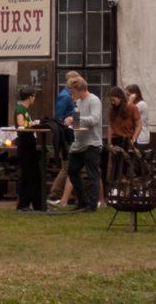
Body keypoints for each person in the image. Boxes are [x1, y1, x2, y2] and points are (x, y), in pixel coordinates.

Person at [63, 76, 103, 212]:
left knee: (92, 174)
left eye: (74, 92)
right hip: (79, 142)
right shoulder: (79, 102)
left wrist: (76, 119)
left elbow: (94, 119)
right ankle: (82, 201)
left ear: (81, 89)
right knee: (72, 171)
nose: (73, 95)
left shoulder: (94, 100)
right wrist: (71, 123)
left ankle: (92, 205)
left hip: (92, 143)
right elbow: (78, 120)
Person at [47, 72, 78, 206]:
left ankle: (69, 194)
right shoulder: (65, 96)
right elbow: (59, 116)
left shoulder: (70, 95)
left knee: (71, 166)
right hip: (66, 135)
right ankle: (55, 193)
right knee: (67, 166)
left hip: (70, 134)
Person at [14, 86, 42, 211]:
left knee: (29, 174)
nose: (34, 99)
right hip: (25, 142)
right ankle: (26, 204)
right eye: (34, 96)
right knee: (29, 174)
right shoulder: (21, 108)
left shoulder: (24, 109)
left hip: (28, 142)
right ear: (30, 97)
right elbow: (21, 123)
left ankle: (27, 204)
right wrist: (34, 123)